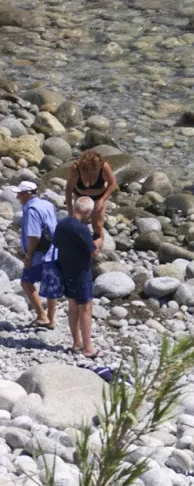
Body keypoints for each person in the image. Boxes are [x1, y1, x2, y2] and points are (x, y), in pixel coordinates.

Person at [54, 197, 102, 357]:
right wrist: (99, 239)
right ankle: (88, 348)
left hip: (66, 269)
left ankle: (77, 343)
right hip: (81, 272)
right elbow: (94, 252)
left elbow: (56, 244)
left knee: (73, 306)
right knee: (86, 308)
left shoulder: (62, 224)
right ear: (87, 211)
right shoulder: (81, 228)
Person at [15, 180, 61, 330]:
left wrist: (28, 256)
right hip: (53, 251)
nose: (17, 198)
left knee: (26, 282)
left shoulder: (31, 209)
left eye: (19, 194)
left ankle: (42, 316)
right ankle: (52, 320)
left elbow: (34, 236)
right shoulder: (47, 204)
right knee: (51, 286)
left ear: (27, 194)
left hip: (39, 253)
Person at [66, 149, 116, 240]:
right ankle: (80, 245)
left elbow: (112, 184)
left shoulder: (104, 167)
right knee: (78, 222)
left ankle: (97, 249)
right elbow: (69, 188)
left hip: (99, 197)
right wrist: (70, 209)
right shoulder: (76, 168)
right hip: (81, 196)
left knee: (97, 225)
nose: (92, 171)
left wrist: (102, 200)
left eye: (95, 169)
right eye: (89, 169)